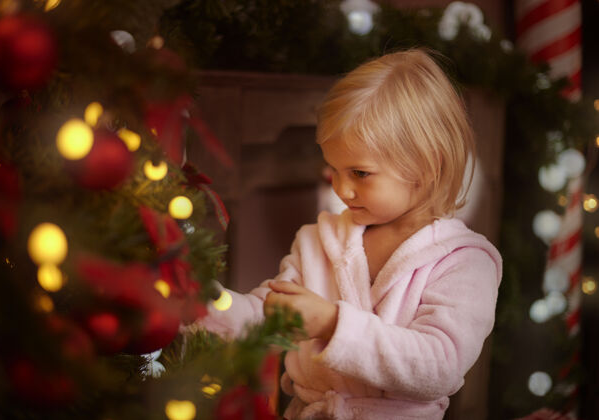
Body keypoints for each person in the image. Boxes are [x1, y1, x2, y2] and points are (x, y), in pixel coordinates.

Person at [199, 48, 502, 420]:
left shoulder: (464, 262)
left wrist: (331, 325)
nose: (342, 189)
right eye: (333, 169)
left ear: (426, 166)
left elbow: (439, 367)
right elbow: (267, 315)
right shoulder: (316, 241)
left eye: (359, 173)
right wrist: (199, 303)